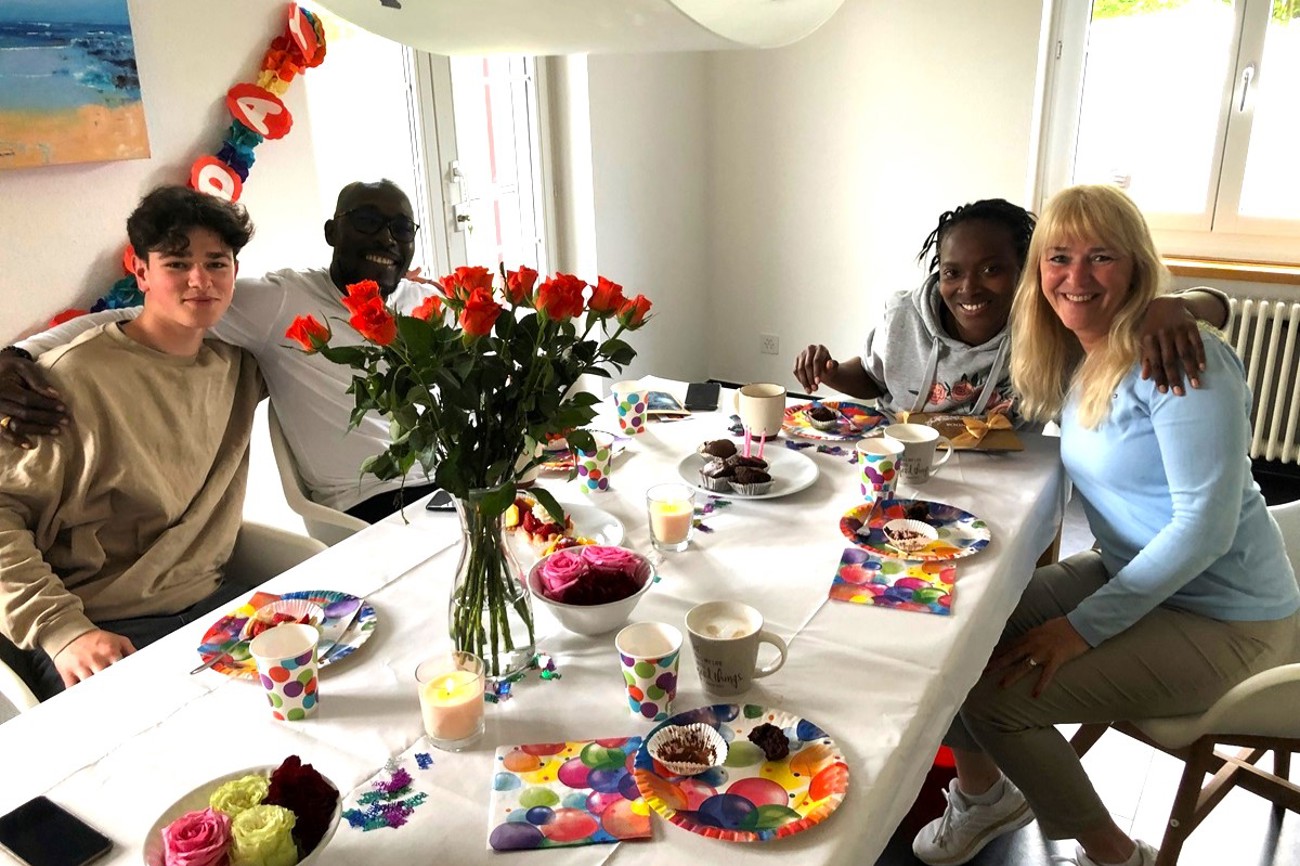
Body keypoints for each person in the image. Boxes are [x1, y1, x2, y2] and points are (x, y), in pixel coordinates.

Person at [912, 185, 1300, 866]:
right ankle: (986, 798)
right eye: (1059, 257)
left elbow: (1204, 529)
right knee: (959, 625)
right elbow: (1212, 301)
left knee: (996, 697)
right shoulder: (1080, 349)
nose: (1077, 276)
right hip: (1135, 572)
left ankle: (1119, 855)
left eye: (1101, 257)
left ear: (1135, 267)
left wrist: (1079, 629)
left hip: (1226, 617)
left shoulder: (1182, 358)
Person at [0, 179, 436, 524]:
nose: (386, 239)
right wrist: (18, 352)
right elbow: (142, 314)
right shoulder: (283, 301)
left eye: (401, 229)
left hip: (443, 485)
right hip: (370, 504)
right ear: (332, 232)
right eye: (367, 222)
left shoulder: (424, 302)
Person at [0, 186, 265, 701]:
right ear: (141, 272)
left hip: (216, 605)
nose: (200, 280)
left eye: (216, 263)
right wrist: (62, 632)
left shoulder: (240, 366)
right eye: (177, 263)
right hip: (102, 627)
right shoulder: (63, 384)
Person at [792, 198, 1230, 418]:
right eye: (952, 272)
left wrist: (1169, 306)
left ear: (1025, 270)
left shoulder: (1050, 323)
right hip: (897, 464)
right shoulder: (904, 316)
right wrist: (831, 372)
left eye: (991, 269)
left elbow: (1219, 307)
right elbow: (873, 377)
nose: (968, 288)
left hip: (999, 480)